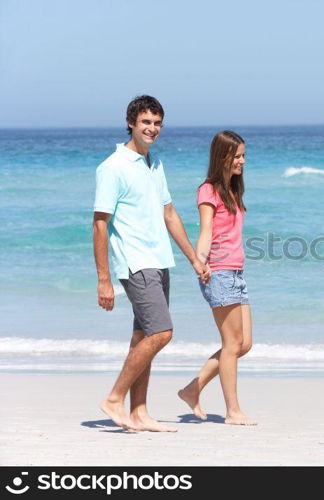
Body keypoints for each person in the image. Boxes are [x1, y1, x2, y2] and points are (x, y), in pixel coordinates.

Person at [93, 95, 209, 432]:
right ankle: (114, 398)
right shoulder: (113, 167)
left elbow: (169, 214)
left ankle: (139, 412)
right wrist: (104, 279)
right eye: (146, 122)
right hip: (135, 261)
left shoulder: (154, 164)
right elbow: (100, 223)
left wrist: (192, 257)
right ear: (131, 123)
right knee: (162, 332)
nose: (152, 128)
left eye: (157, 123)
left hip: (159, 260)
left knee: (142, 336)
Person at [177, 130, 256, 426]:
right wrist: (199, 262)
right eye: (238, 156)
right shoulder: (208, 190)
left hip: (236, 272)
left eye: (244, 156)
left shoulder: (233, 190)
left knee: (243, 344)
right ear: (223, 157)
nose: (242, 161)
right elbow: (206, 231)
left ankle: (191, 389)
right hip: (219, 272)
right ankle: (233, 411)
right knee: (232, 343)